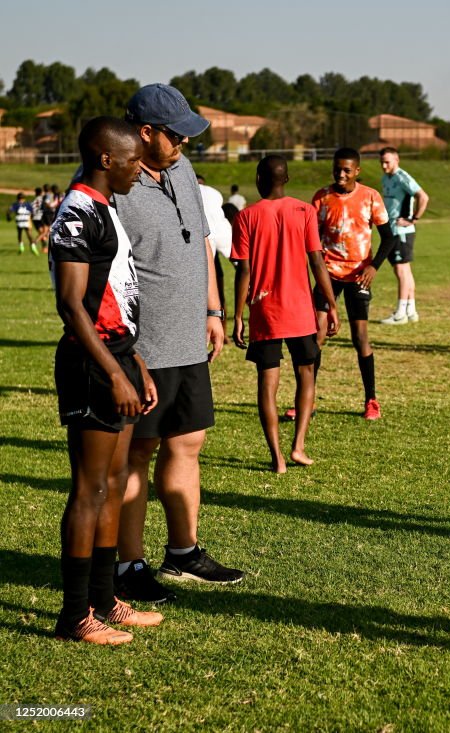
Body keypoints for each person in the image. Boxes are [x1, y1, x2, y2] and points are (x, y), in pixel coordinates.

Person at [109, 83, 242, 605]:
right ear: (145, 132)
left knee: (188, 441)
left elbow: (204, 241)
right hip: (143, 346)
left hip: (190, 335)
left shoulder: (181, 169)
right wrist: (125, 348)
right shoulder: (112, 178)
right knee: (137, 451)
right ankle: (128, 563)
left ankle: (183, 552)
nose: (185, 144)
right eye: (175, 134)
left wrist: (213, 309)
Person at [51, 116, 163, 644]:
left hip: (117, 358)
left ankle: (104, 600)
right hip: (90, 366)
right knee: (90, 489)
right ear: (104, 160)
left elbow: (113, 295)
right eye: (130, 161)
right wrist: (114, 372)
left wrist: (133, 361)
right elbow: (72, 306)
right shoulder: (76, 212)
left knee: (115, 484)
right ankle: (75, 617)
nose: (139, 171)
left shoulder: (105, 207)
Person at [231, 156, 339, 472]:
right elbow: (318, 262)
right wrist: (331, 305)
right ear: (287, 178)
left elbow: (244, 271)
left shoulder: (246, 216)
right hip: (301, 311)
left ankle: (276, 457)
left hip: (265, 311)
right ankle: (299, 446)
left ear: (259, 179)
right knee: (306, 375)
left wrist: (238, 315)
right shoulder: (305, 211)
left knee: (268, 384)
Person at [309, 147, 396, 420]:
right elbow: (311, 239)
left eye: (347, 170)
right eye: (338, 169)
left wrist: (373, 266)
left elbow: (389, 238)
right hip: (329, 274)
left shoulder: (370, 197)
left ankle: (371, 400)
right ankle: (307, 400)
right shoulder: (322, 198)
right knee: (317, 336)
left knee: (360, 339)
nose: (341, 174)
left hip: (359, 275)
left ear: (357, 170)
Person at [379, 147, 429, 325]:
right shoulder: (386, 178)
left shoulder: (403, 177)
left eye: (387, 162)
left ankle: (400, 313)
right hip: (391, 229)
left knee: (401, 271)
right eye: (382, 162)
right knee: (405, 271)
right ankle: (411, 310)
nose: (384, 166)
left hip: (402, 232)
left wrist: (413, 219)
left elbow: (423, 197)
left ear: (396, 160)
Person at [196, 173, 233, 324]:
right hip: (220, 232)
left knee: (208, 287)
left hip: (203, 237)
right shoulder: (214, 193)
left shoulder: (188, 189)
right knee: (221, 284)